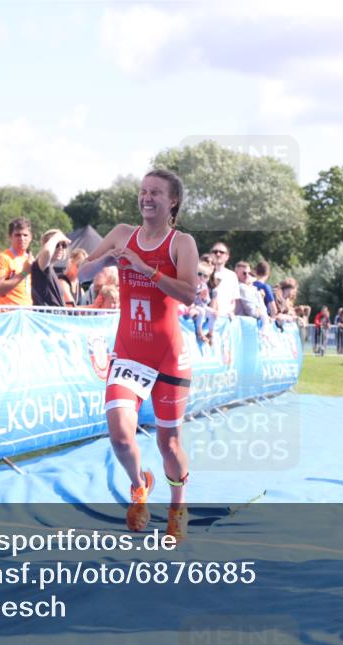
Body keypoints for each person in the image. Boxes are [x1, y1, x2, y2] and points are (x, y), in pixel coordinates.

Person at [82, 168, 198, 542]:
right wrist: (100, 261)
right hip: (130, 353)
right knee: (118, 434)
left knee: (170, 444)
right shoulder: (121, 233)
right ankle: (139, 485)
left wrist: (146, 269)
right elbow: (81, 270)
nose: (146, 197)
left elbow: (189, 294)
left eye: (156, 193)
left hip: (167, 355)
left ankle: (177, 507)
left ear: (172, 201)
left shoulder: (182, 243)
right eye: (143, 191)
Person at [0, 218, 35, 308]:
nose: (22, 238)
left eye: (25, 235)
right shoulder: (2, 258)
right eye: (17, 235)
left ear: (30, 237)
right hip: (7, 314)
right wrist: (24, 272)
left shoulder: (30, 259)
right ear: (10, 237)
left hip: (27, 313)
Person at [31, 228, 72, 307]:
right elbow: (47, 251)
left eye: (63, 245)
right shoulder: (41, 265)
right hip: (45, 317)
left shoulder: (50, 268)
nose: (60, 248)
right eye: (57, 244)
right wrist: (56, 237)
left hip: (54, 317)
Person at [187, 260, 218, 344]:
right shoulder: (190, 284)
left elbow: (207, 301)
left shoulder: (204, 286)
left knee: (213, 313)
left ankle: (210, 333)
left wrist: (204, 298)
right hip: (193, 306)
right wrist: (198, 294)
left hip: (201, 306)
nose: (202, 277)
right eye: (199, 274)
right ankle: (199, 331)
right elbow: (187, 298)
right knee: (202, 311)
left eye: (205, 276)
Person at [210, 242, 238, 318]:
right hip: (207, 318)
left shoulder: (232, 276)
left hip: (224, 319)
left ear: (227, 257)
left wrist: (230, 312)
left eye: (221, 252)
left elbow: (233, 301)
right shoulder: (202, 274)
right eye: (215, 252)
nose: (218, 254)